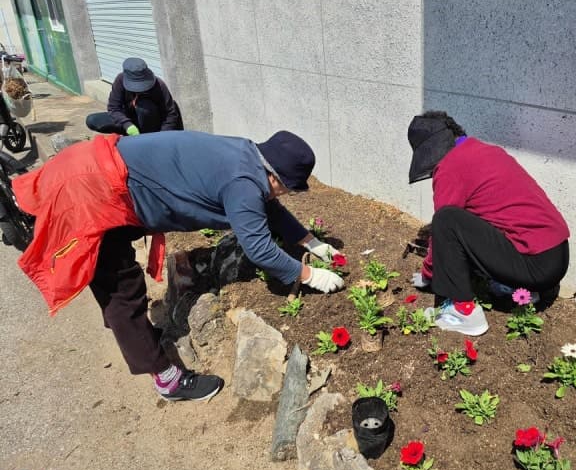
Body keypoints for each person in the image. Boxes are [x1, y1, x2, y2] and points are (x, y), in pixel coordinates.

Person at [12, 130, 344, 401]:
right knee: (120, 290)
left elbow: (265, 209)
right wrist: (309, 275)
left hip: (93, 168)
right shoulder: (244, 184)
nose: (284, 194)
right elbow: (257, 247)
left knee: (119, 280)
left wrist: (309, 242)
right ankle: (167, 380)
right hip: (89, 190)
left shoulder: (245, 155)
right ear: (274, 177)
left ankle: (135, 334)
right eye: (287, 188)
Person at [407, 111, 570, 336]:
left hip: (534, 264)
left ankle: (463, 312)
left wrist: (428, 274)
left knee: (446, 219)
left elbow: (443, 227)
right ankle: (520, 289)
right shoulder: (486, 151)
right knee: (474, 218)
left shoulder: (451, 166)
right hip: (555, 257)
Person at [86, 57, 183, 136]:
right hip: (130, 120)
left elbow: (171, 114)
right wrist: (127, 125)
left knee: (143, 106)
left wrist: (162, 136)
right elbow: (113, 108)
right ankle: (132, 135)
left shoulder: (159, 85)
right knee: (92, 120)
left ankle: (145, 138)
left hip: (152, 122)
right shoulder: (120, 80)